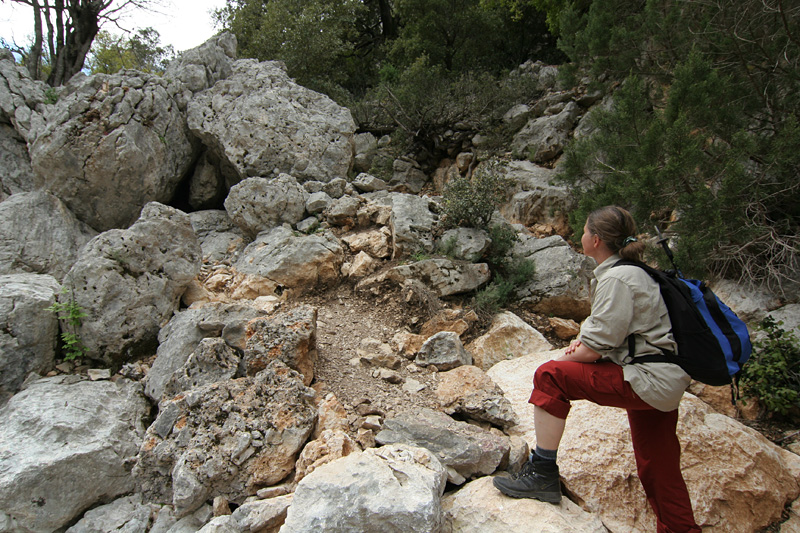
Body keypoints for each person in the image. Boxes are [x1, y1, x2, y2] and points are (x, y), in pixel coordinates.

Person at [493, 205, 701, 533]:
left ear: (596, 240)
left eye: (586, 230)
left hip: (646, 378)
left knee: (550, 376)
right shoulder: (632, 271)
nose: (581, 235)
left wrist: (569, 355)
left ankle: (542, 473)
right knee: (657, 466)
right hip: (661, 378)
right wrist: (586, 346)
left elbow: (593, 348)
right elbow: (607, 337)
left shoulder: (618, 277)